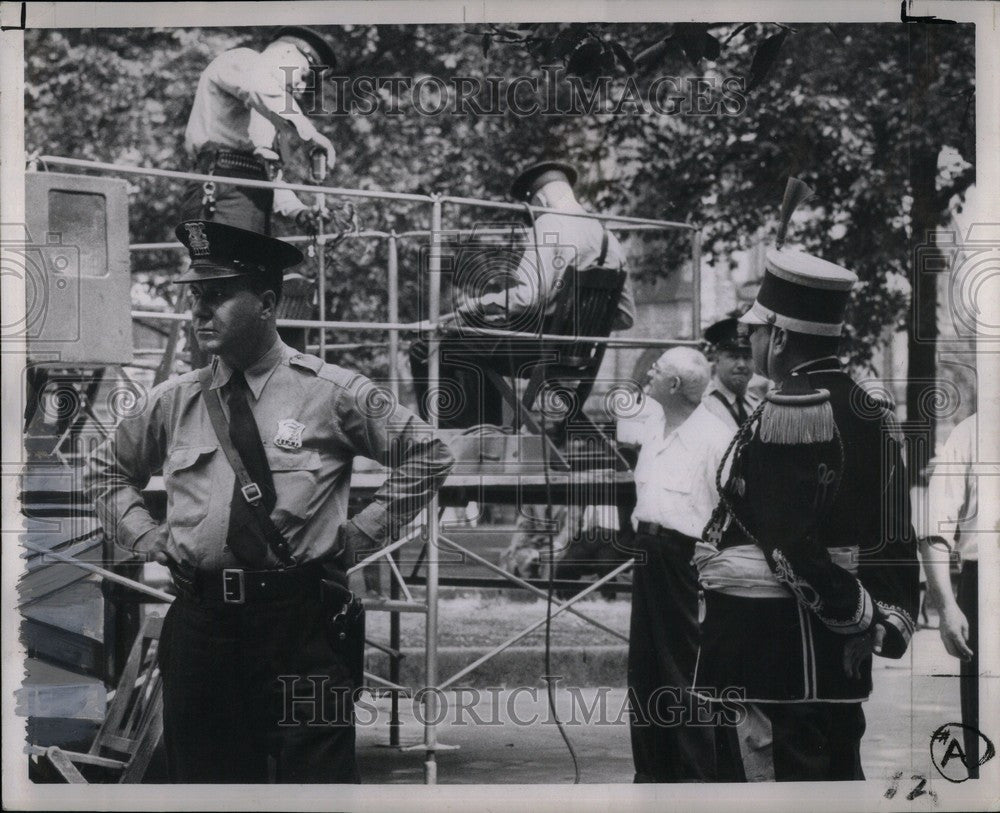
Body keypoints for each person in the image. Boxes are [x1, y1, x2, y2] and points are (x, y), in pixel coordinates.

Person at [83, 221, 454, 783]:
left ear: (267, 301)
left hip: (301, 628)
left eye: (218, 295)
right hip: (203, 627)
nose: (200, 312)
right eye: (196, 297)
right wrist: (144, 535)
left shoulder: (331, 391)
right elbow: (104, 472)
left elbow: (427, 451)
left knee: (318, 791)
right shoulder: (171, 402)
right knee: (209, 790)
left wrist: (362, 534)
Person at [694, 247, 919, 781]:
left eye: (753, 332)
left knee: (785, 779)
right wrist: (888, 613)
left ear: (778, 337)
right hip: (839, 648)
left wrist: (854, 611)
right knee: (838, 770)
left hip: (778, 644)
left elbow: (789, 545)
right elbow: (894, 529)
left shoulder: (791, 412)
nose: (749, 345)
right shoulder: (870, 408)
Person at [409, 160, 637, 428]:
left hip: (541, 349)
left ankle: (448, 441)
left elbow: (528, 297)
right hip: (577, 353)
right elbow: (625, 317)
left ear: (538, 199)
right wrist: (576, 321)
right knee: (472, 342)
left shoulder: (550, 223)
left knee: (429, 348)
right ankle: (487, 437)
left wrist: (477, 305)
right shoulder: (609, 238)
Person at [625, 346, 731, 783]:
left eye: (658, 369)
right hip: (648, 554)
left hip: (685, 561)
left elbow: (731, 511)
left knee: (682, 673)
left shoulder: (715, 438)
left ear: (672, 385)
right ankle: (651, 774)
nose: (648, 373)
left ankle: (693, 779)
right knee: (644, 670)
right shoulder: (654, 425)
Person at [180, 27, 338, 233]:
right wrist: (311, 135)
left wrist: (298, 212)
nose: (300, 89)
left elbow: (266, 176)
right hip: (220, 187)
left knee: (253, 264)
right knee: (225, 264)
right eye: (303, 75)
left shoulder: (267, 110)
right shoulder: (244, 60)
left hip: (248, 199)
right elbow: (259, 86)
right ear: (287, 53)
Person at [920, 413, 981, 777]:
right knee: (986, 719)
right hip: (987, 582)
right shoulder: (970, 432)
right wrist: (946, 607)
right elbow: (934, 527)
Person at [702, 313, 762, 432]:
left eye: (747, 357)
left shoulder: (758, 405)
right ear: (716, 358)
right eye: (733, 357)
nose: (741, 365)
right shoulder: (703, 405)